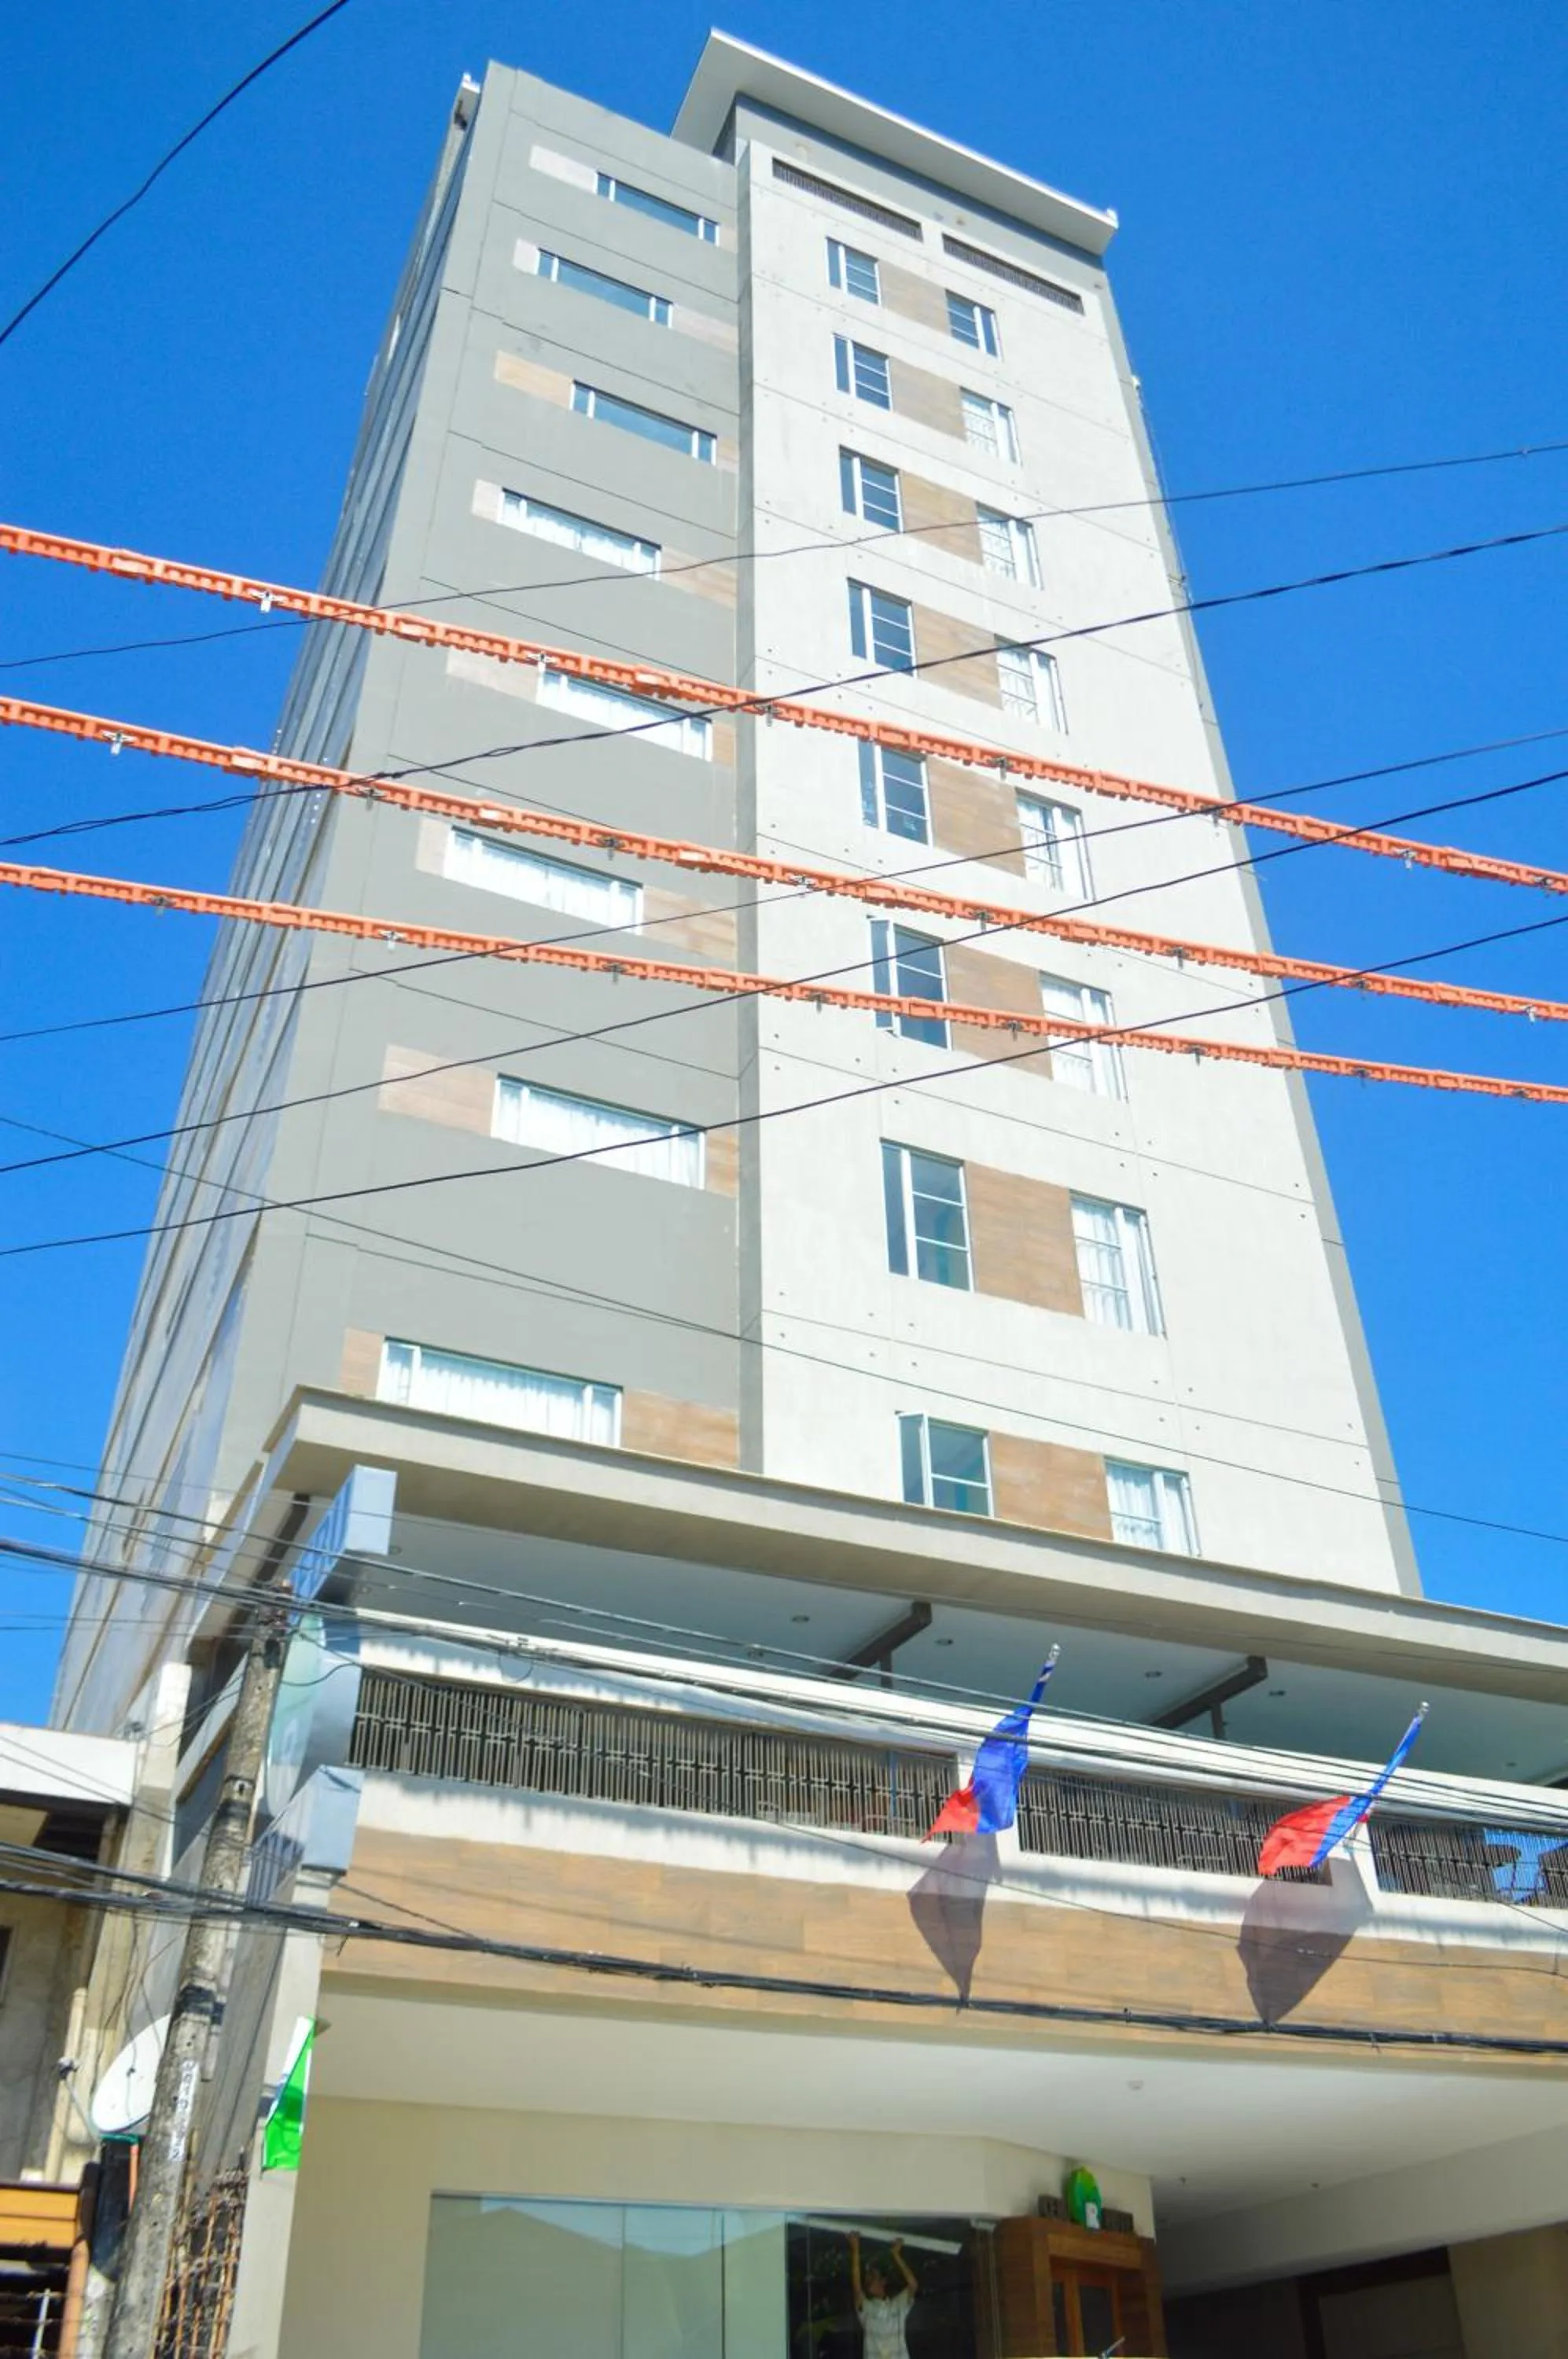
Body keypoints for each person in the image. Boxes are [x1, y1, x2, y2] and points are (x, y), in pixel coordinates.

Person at [848, 2231, 918, 2359]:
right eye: (867, 2278)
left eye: (872, 2277)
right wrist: (855, 2248)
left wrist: (896, 2255)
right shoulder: (866, 2309)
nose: (868, 2280)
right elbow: (856, 2283)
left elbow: (913, 2284)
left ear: (883, 2281)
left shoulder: (898, 2305)